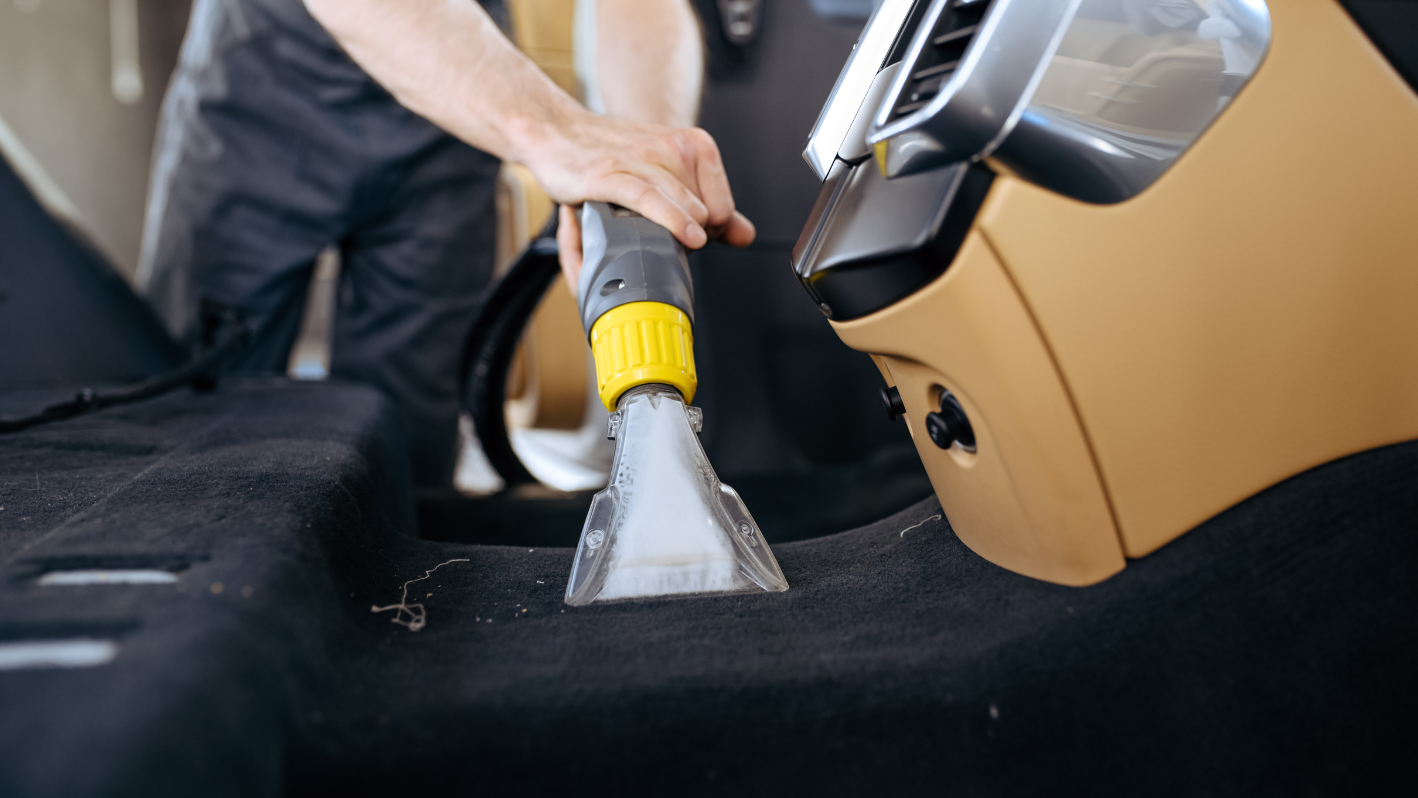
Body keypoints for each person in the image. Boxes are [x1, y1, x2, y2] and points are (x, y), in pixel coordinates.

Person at [136, 0, 754, 487]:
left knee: (405, 445)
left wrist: (641, 172)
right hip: (266, 94)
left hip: (454, 105)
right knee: (192, 423)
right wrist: (561, 136)